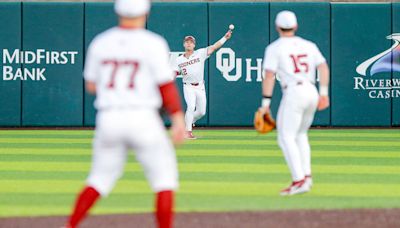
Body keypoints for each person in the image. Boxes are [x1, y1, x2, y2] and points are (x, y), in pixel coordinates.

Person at [64, 0, 185, 227]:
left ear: (117, 11)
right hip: (143, 118)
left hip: (109, 118)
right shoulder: (153, 43)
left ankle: (70, 225)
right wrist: (178, 119)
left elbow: (91, 85)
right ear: (146, 11)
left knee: (99, 179)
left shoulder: (101, 42)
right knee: (164, 181)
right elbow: (165, 86)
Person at [259, 11, 330, 196]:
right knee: (300, 135)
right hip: (311, 90)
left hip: (294, 92)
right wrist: (324, 93)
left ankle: (298, 180)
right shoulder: (309, 45)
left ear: (277, 27)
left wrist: (265, 103)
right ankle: (306, 178)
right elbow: (323, 66)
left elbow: (269, 75)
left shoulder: (275, 47)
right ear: (296, 26)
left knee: (285, 137)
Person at [174, 31, 232, 139]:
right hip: (188, 86)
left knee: (201, 112)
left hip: (200, 86)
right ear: (183, 44)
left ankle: (188, 122)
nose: (189, 44)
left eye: (191, 42)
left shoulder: (200, 53)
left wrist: (225, 38)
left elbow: (214, 47)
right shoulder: (179, 59)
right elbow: (174, 72)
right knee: (191, 106)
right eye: (187, 42)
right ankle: (187, 131)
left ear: (194, 45)